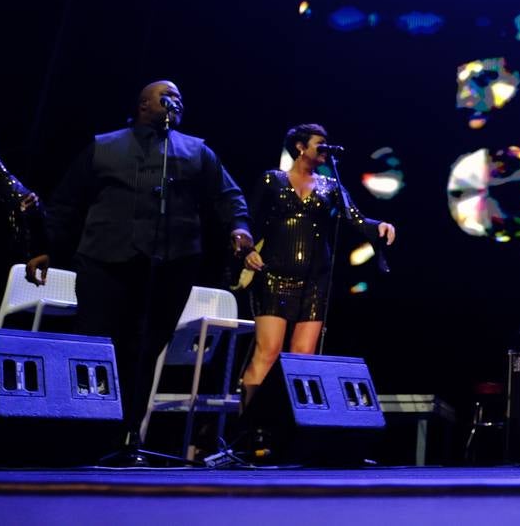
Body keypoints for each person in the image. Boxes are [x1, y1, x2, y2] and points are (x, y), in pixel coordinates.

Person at [28, 81, 252, 451]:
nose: (175, 102)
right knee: (96, 344)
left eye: (180, 98)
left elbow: (228, 195)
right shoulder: (104, 146)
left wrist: (239, 227)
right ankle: (83, 436)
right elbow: (67, 201)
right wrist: (45, 246)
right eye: (167, 97)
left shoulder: (196, 151)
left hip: (171, 264)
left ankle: (129, 436)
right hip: (105, 260)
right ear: (144, 105)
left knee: (145, 348)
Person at [239, 124, 396, 399]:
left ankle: (285, 431)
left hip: (314, 280)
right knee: (268, 352)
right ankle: (248, 427)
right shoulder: (271, 180)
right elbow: (248, 219)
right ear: (300, 147)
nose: (326, 149)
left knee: (302, 358)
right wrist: (246, 250)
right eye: (320, 143)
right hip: (273, 275)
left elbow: (354, 218)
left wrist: (379, 226)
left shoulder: (331, 186)